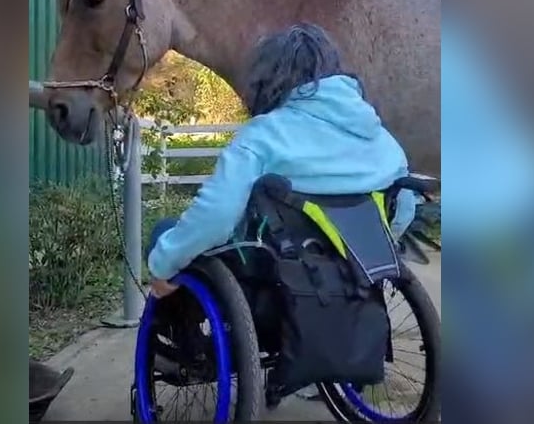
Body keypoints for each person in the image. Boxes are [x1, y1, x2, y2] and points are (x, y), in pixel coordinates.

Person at [147, 23, 416, 298]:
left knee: (165, 234)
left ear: (267, 78)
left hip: (275, 273)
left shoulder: (261, 136)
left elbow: (217, 215)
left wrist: (163, 264)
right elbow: (404, 207)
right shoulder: (380, 137)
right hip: (353, 272)